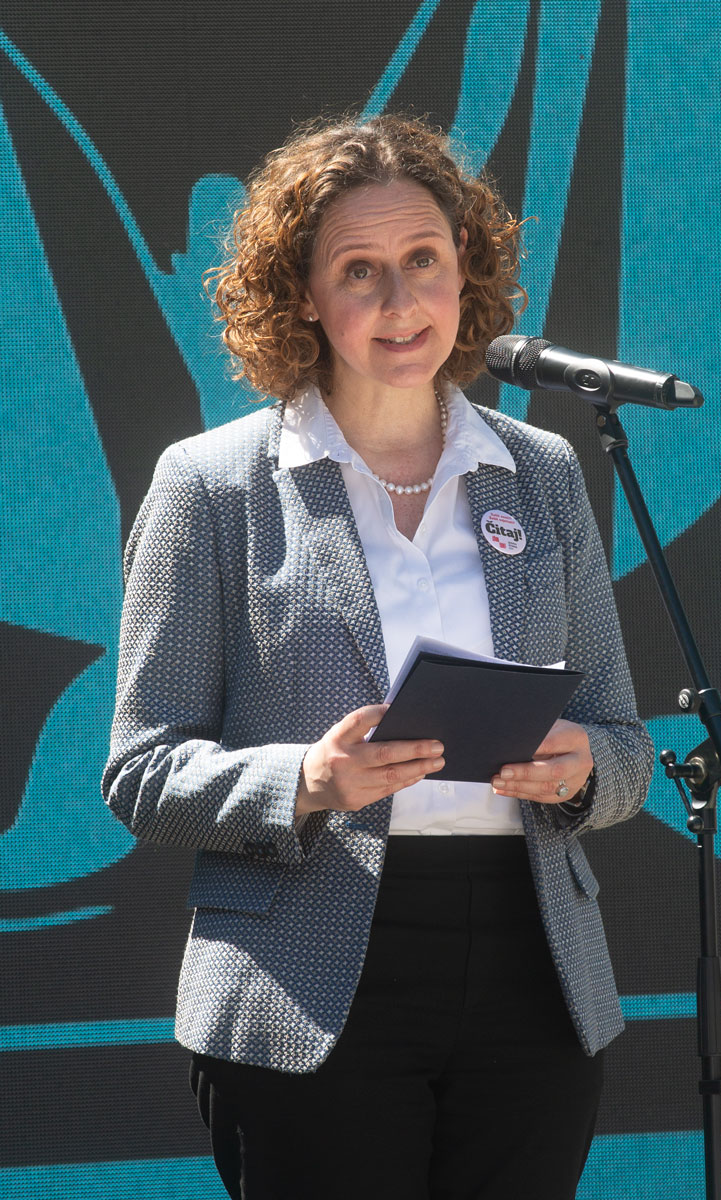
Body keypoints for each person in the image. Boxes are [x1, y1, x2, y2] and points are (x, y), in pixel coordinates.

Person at [102, 113, 653, 1200]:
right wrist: (307, 778)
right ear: (302, 293)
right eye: (359, 270)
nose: (402, 302)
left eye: (424, 260)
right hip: (305, 975)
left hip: (532, 969)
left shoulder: (542, 471)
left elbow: (625, 742)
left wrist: (583, 768)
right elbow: (141, 770)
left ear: (467, 266)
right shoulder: (211, 486)